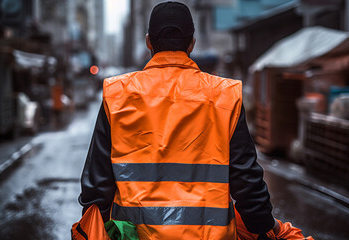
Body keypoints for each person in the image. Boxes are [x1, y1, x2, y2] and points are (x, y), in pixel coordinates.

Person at [78, 2, 280, 239]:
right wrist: (266, 226)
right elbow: (246, 181)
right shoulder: (224, 95)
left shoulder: (117, 94)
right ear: (191, 43)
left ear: (148, 42)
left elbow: (96, 185)